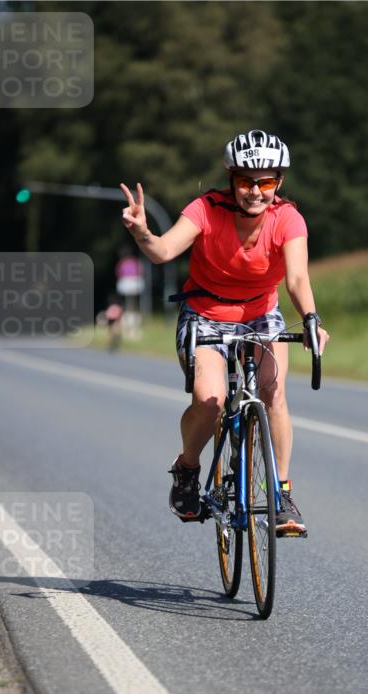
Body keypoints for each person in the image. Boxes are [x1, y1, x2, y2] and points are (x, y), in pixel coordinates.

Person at [120, 129, 329, 536]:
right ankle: (187, 470)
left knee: (274, 393)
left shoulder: (287, 218)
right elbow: (163, 251)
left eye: (265, 182)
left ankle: (281, 493)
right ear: (231, 179)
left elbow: (298, 277)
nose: (255, 192)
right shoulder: (205, 209)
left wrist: (310, 320)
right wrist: (141, 230)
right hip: (205, 313)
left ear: (279, 183)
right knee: (210, 399)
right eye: (246, 181)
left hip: (260, 313)